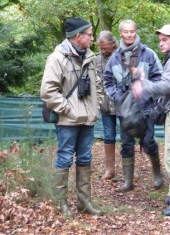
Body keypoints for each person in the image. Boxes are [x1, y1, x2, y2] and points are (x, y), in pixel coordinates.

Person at [40, 17, 103, 217]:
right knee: (65, 158)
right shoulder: (57, 58)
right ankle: (61, 204)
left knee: (85, 158)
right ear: (78, 36)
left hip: (88, 119)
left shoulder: (90, 57)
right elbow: (48, 91)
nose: (92, 38)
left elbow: (98, 85)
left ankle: (84, 203)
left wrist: (96, 105)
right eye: (90, 34)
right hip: (68, 120)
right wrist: (68, 109)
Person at [132, 24, 170, 217]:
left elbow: (167, 86)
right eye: (160, 40)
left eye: (165, 39)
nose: (161, 43)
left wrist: (144, 86)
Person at [103, 20, 164, 192]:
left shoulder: (148, 54)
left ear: (136, 32)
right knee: (126, 144)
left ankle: (158, 175)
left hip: (146, 107)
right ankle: (128, 182)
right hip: (125, 110)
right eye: (126, 32)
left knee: (149, 141)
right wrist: (117, 98)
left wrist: (148, 90)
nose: (129, 35)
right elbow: (107, 81)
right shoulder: (114, 57)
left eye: (132, 31)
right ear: (120, 34)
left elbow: (160, 77)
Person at [95, 31, 119, 180]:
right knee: (108, 137)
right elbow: (96, 83)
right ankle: (109, 170)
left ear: (113, 44)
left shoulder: (122, 56)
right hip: (105, 106)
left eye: (105, 48)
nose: (103, 51)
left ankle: (130, 171)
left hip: (123, 105)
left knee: (128, 136)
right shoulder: (97, 60)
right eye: (101, 48)